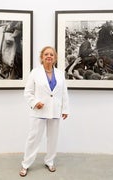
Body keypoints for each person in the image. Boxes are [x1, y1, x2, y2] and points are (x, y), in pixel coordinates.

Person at [19, 46, 70, 177]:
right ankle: (25, 164)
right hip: (39, 111)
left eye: (51, 55)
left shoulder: (60, 74)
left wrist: (65, 109)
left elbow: (64, 93)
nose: (49, 56)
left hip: (55, 110)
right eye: (46, 54)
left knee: (53, 138)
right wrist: (35, 103)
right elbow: (28, 92)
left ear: (55, 58)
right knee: (33, 138)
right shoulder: (35, 73)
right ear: (42, 57)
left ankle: (50, 161)